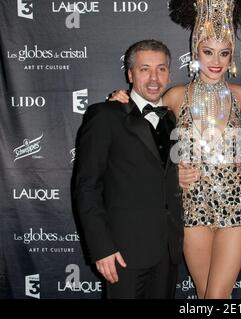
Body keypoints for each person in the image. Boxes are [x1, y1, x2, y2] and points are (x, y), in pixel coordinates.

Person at [110, 1, 241, 299]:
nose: (216, 61)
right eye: (208, 52)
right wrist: (124, 101)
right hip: (191, 207)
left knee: (217, 296)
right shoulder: (176, 96)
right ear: (196, 53)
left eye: (224, 53)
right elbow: (143, 134)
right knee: (207, 292)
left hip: (237, 207)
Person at [74, 39, 184, 299]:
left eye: (161, 69)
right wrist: (101, 248)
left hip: (167, 249)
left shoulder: (170, 119)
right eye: (145, 69)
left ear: (169, 72)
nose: (154, 78)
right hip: (123, 252)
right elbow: (87, 186)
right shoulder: (105, 115)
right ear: (130, 73)